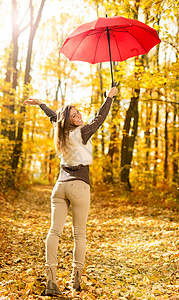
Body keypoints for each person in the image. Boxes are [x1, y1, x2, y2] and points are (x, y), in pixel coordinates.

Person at [24, 86, 118, 295]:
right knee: (79, 235)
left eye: (78, 113)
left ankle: (51, 281)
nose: (79, 116)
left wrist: (41, 104)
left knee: (54, 232)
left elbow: (53, 117)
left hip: (59, 187)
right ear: (69, 120)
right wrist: (109, 98)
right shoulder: (82, 132)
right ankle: (75, 280)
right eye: (74, 115)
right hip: (79, 185)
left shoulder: (60, 132)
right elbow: (99, 118)